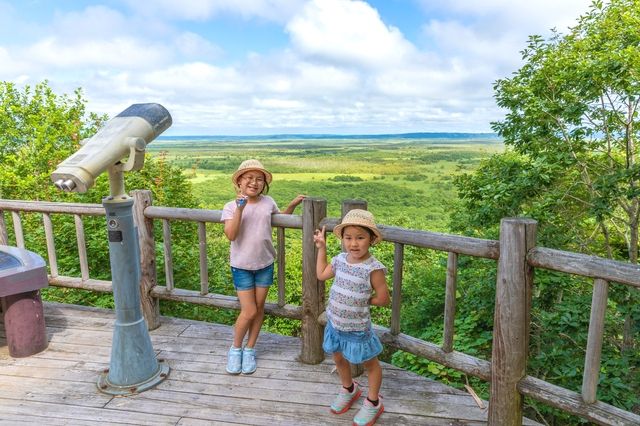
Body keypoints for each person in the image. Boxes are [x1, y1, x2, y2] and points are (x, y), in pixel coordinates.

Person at [222, 159, 305, 375]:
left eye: (259, 179)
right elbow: (231, 234)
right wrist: (240, 209)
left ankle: (250, 349)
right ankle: (235, 348)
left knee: (258, 309)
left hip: (265, 264)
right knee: (248, 310)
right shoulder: (230, 206)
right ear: (239, 182)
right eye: (249, 178)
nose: (254, 182)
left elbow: (280, 219)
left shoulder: (268, 202)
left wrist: (293, 204)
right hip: (241, 266)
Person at [313, 209, 390, 426]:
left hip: (357, 329)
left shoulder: (373, 268)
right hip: (335, 324)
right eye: (348, 238)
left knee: (370, 364)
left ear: (372, 239)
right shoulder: (339, 260)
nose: (353, 244)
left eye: (360, 237)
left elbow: (383, 299)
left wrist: (363, 300)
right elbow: (321, 275)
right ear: (343, 239)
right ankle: (349, 388)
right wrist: (322, 248)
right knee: (338, 358)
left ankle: (373, 401)